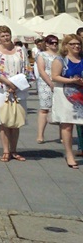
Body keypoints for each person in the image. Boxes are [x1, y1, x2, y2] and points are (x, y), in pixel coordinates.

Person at [0, 25, 31, 163]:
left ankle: (14, 150)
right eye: (2, 36)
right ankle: (6, 150)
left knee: (15, 121)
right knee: (3, 120)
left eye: (7, 35)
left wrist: (16, 84)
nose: (5, 38)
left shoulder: (20, 50)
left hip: (18, 88)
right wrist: (8, 83)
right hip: (1, 89)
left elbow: (26, 69)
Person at [50, 33, 83, 169]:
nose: (76, 46)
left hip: (81, 95)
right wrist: (72, 81)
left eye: (78, 44)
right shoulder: (61, 60)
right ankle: (69, 155)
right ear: (66, 46)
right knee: (67, 125)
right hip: (65, 95)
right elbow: (54, 76)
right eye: (72, 44)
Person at [35, 35, 59, 143]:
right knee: (44, 108)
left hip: (59, 82)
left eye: (56, 42)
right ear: (47, 44)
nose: (54, 44)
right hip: (45, 83)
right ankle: (40, 135)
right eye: (52, 42)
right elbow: (41, 71)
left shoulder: (60, 56)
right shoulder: (42, 55)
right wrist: (50, 83)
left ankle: (62, 135)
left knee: (59, 109)